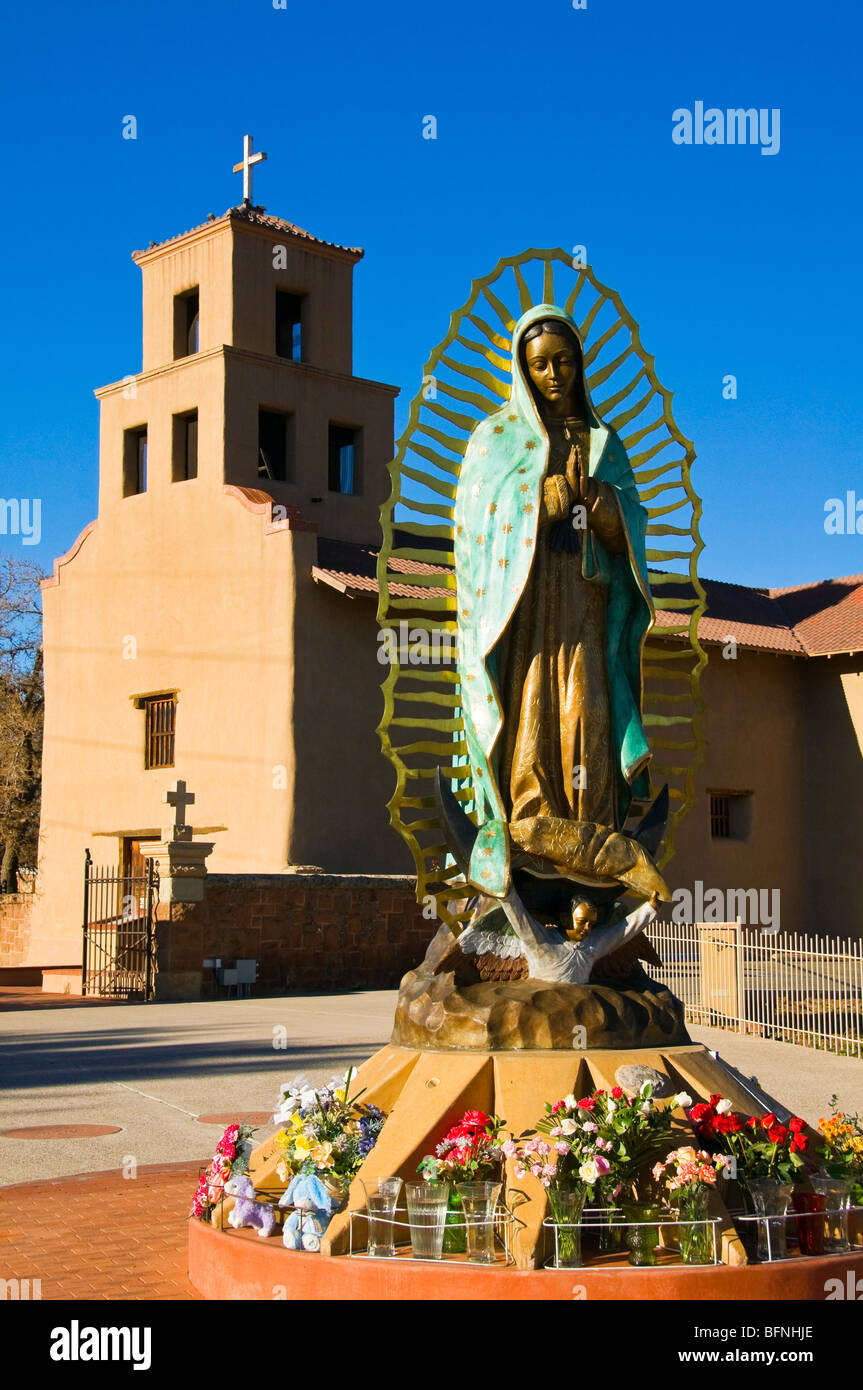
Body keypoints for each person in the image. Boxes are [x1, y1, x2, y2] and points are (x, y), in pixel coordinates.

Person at [453, 303, 663, 905]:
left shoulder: (603, 443)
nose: (553, 375)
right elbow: (473, 527)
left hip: (588, 603)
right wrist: (535, 504)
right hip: (524, 611)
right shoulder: (497, 439)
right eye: (539, 363)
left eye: (563, 361)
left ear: (579, 365)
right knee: (531, 708)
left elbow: (635, 529)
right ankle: (529, 818)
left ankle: (591, 826)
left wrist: (601, 504)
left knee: (587, 705)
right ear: (521, 367)